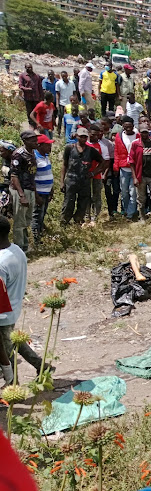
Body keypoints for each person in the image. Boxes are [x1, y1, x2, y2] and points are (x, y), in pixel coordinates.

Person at [0, 215, 49, 380]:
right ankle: (42, 366)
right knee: (13, 340)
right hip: (14, 307)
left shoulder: (0, 263)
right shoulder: (15, 249)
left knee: (7, 354)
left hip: (2, 315)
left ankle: (13, 386)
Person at [61, 128, 103, 225]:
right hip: (71, 179)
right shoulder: (69, 148)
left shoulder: (91, 151)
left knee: (83, 203)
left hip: (84, 181)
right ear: (77, 136)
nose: (83, 139)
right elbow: (64, 165)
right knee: (68, 203)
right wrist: (62, 182)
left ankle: (78, 222)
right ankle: (64, 223)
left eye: (85, 137)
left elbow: (102, 162)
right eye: (81, 137)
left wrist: (93, 173)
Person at [9, 131, 40, 252]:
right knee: (19, 222)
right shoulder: (18, 154)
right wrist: (21, 195)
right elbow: (14, 176)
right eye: (32, 140)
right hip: (20, 190)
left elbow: (32, 175)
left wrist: (35, 194)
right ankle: (19, 250)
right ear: (25, 141)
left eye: (35, 139)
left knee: (27, 220)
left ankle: (25, 247)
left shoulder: (32, 153)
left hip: (30, 189)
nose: (35, 142)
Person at [130, 123, 151, 227]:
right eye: (142, 133)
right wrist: (135, 177)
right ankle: (142, 217)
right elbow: (131, 161)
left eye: (146, 132)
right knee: (141, 198)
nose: (144, 135)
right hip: (141, 176)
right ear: (139, 133)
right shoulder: (135, 144)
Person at [112, 116, 139, 220]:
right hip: (123, 168)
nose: (128, 128)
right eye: (125, 126)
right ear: (123, 126)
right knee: (124, 192)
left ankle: (130, 213)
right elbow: (117, 152)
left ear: (133, 126)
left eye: (130, 126)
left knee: (133, 192)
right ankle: (126, 209)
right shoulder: (119, 136)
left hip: (134, 168)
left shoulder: (138, 136)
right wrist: (116, 166)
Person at [85, 123, 110, 225]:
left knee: (96, 196)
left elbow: (105, 162)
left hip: (96, 175)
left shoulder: (102, 146)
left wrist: (94, 172)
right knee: (86, 196)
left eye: (96, 135)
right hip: (84, 176)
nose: (94, 136)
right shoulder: (83, 145)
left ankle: (95, 217)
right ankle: (86, 216)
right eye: (92, 134)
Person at [31, 134, 54, 244]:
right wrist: (36, 196)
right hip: (39, 193)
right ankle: (36, 240)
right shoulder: (34, 158)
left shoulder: (45, 156)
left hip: (46, 192)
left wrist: (51, 189)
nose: (50, 147)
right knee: (36, 216)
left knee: (42, 215)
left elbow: (49, 173)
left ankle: (39, 235)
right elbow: (31, 179)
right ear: (39, 146)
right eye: (47, 145)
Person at [55, 71, 75, 137]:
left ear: (67, 75)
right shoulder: (58, 83)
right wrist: (57, 104)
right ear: (61, 76)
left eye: (65, 76)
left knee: (69, 118)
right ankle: (58, 131)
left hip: (70, 104)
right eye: (63, 76)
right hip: (62, 103)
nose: (64, 77)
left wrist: (76, 102)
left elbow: (74, 93)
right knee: (60, 117)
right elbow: (57, 94)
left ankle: (66, 132)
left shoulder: (72, 83)